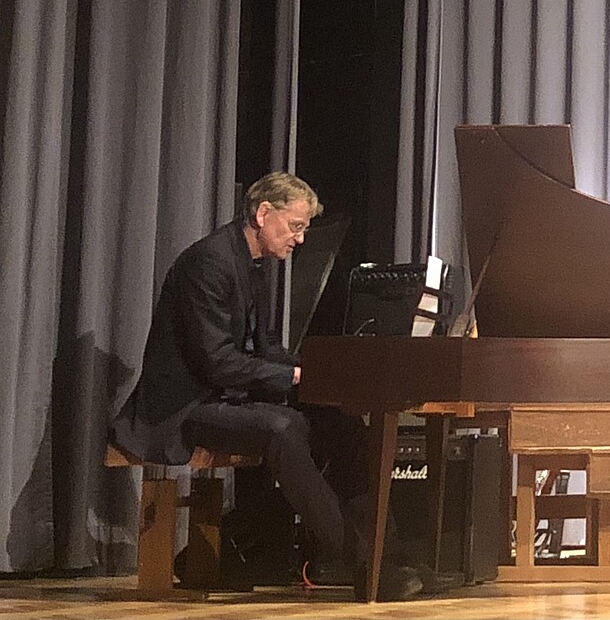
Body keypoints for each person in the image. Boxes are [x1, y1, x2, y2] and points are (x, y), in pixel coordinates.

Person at [110, 172, 422, 600]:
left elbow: (267, 348)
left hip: (225, 396)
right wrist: (294, 377)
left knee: (342, 424)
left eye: (303, 229)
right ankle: (362, 566)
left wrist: (321, 372)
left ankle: (389, 554)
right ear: (263, 214)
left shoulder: (250, 263)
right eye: (295, 226)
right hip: (183, 407)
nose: (300, 239)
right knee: (284, 429)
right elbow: (216, 362)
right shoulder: (209, 263)